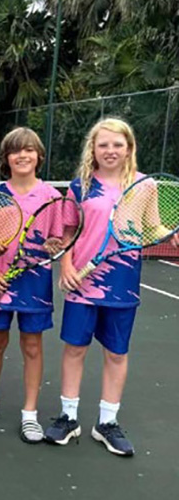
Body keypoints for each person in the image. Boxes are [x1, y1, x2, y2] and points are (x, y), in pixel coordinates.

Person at [44, 117, 179, 456]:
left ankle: (107, 423)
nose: (110, 150)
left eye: (117, 144)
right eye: (103, 144)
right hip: (81, 281)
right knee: (75, 349)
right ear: (93, 148)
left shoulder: (144, 185)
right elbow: (70, 230)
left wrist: (169, 234)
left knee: (116, 353)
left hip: (122, 284)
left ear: (129, 148)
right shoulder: (80, 186)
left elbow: (152, 226)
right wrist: (66, 265)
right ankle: (68, 417)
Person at [0, 128, 62, 442]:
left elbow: (56, 240)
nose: (22, 156)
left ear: (39, 156)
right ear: (6, 158)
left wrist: (54, 245)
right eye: (16, 150)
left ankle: (30, 414)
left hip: (35, 284)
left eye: (29, 150)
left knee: (32, 346)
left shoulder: (52, 197)